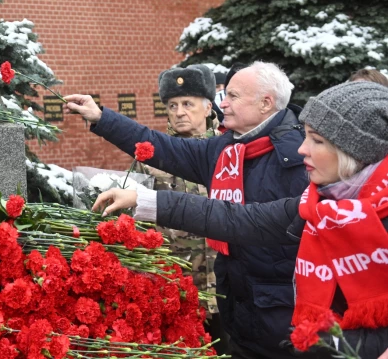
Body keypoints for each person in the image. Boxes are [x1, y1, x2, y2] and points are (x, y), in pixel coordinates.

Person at [91, 81, 388, 359]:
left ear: (353, 151)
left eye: (317, 141)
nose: (302, 149)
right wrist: (146, 200)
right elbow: (237, 219)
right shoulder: (317, 203)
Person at [65, 61, 308, 359]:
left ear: (266, 103)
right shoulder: (227, 149)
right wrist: (101, 117)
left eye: (232, 96)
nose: (224, 103)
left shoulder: (299, 158)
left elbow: (240, 221)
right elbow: (161, 147)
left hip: (286, 321)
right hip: (243, 310)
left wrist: (147, 201)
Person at [152, 65, 221, 335]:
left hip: (228, 288)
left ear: (207, 107)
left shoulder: (231, 152)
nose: (179, 112)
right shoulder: (153, 157)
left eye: (187, 103)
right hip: (179, 289)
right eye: (172, 105)